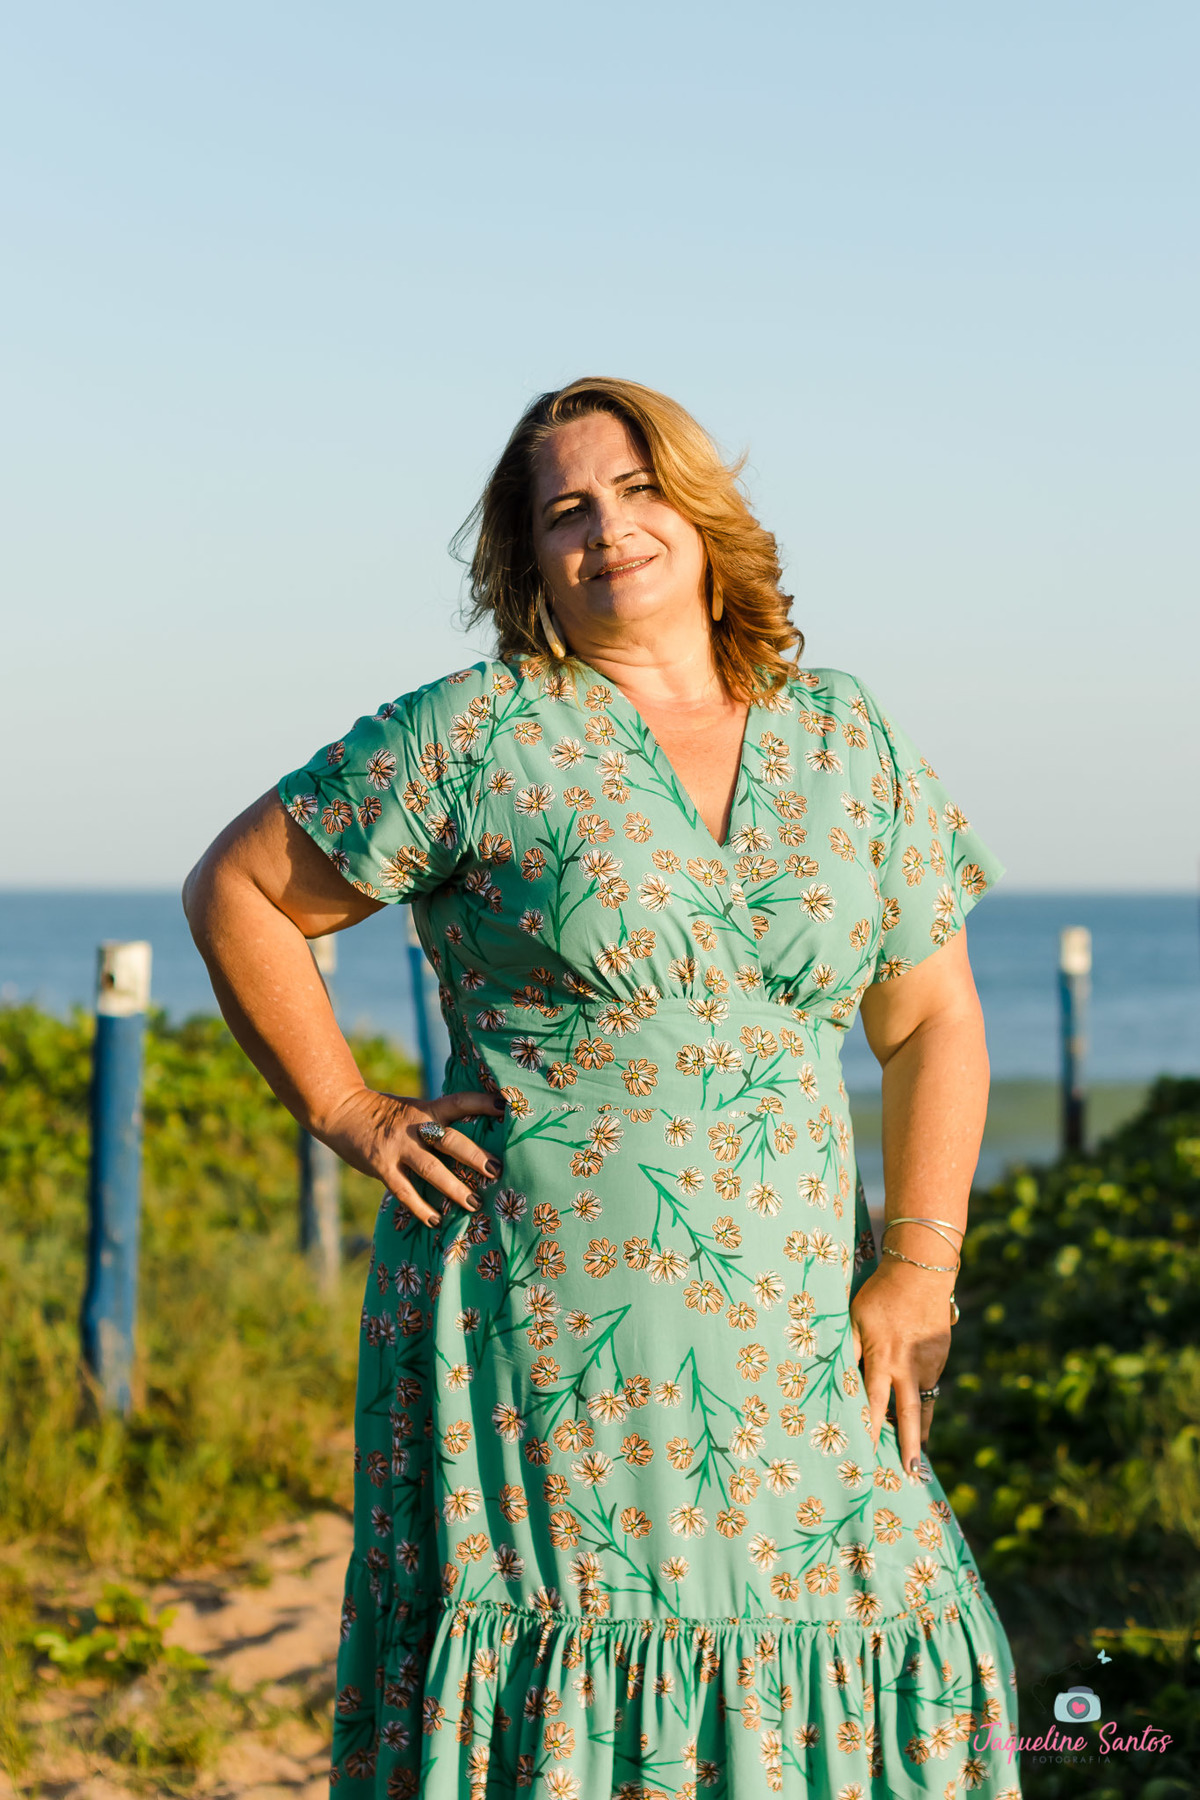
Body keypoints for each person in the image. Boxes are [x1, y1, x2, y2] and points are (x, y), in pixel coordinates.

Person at [183, 376, 1022, 1799]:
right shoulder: (477, 732)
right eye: (565, 509)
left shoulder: (847, 735)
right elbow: (240, 890)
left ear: (701, 514)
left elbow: (932, 1016)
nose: (608, 528)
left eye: (637, 491)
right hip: (546, 1321)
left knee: (886, 1612)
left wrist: (921, 1265)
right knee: (574, 1676)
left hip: (801, 1321)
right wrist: (348, 1110)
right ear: (530, 557)